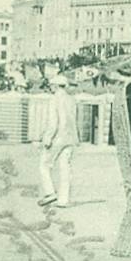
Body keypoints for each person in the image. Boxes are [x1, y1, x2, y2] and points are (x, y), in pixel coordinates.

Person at [38, 74, 79, 208]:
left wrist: (48, 137)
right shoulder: (71, 99)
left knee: (44, 165)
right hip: (70, 137)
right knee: (65, 168)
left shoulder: (54, 99)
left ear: (55, 86)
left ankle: (50, 193)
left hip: (57, 137)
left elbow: (53, 121)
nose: (50, 88)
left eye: (51, 86)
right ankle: (63, 200)